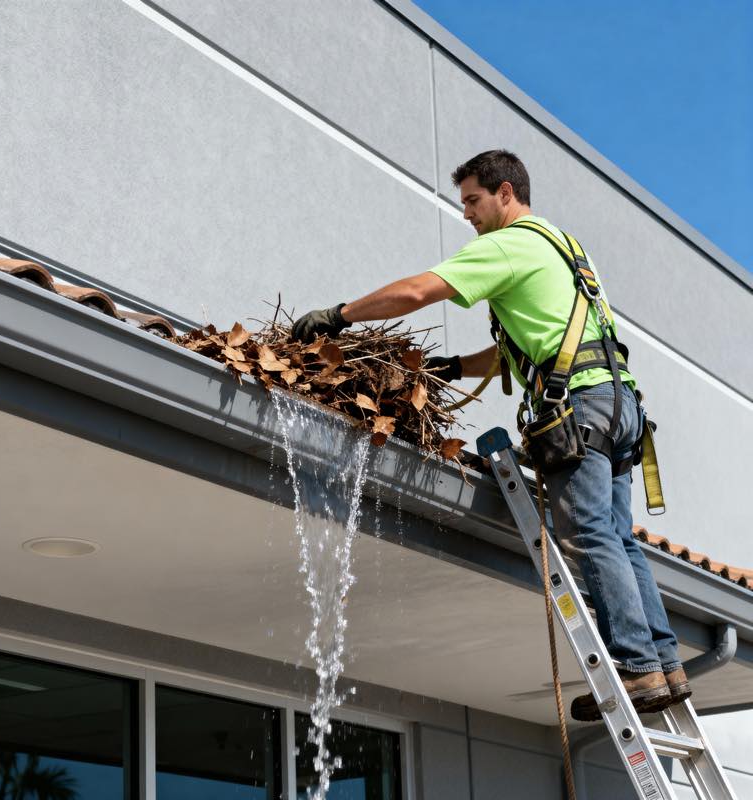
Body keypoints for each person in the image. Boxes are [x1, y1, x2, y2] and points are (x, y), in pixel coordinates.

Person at [291, 149, 690, 721]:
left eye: (473, 200)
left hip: (580, 408)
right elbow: (528, 348)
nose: (467, 214)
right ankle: (665, 666)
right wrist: (454, 368)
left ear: (506, 193)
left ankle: (634, 666)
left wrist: (339, 315)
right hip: (619, 406)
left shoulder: (507, 244)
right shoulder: (561, 246)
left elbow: (417, 291)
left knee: (586, 535)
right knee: (618, 538)